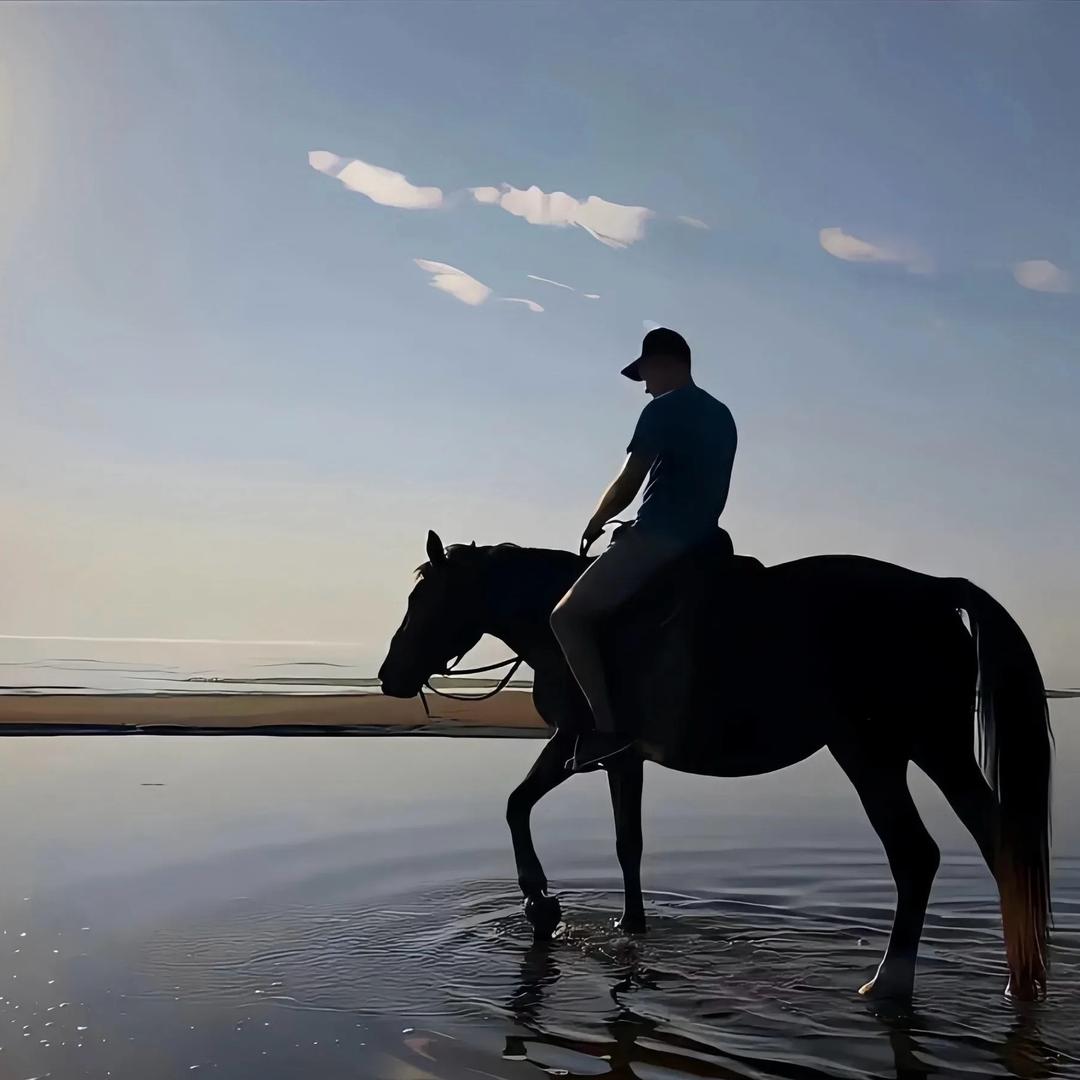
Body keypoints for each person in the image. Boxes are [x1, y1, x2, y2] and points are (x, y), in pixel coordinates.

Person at [550, 327, 737, 771]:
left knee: (567, 617)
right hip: (708, 541)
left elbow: (627, 484)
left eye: (646, 374)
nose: (646, 386)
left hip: (659, 539)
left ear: (662, 362)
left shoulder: (664, 409)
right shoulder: (723, 413)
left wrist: (595, 522)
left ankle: (607, 733)